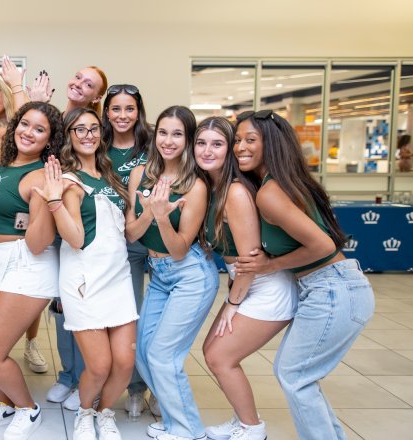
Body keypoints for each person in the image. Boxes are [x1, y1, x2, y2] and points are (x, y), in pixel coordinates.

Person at [233, 109, 375, 440]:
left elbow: (323, 246)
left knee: (294, 375)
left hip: (332, 288)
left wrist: (268, 265)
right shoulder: (281, 183)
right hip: (332, 287)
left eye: (251, 140)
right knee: (299, 377)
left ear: (273, 144)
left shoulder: (270, 192)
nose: (240, 146)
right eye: (238, 139)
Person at [0, 101, 64, 439]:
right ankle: (4, 402)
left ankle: (27, 409)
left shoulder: (38, 176)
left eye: (39, 129)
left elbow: (36, 242)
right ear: (14, 125)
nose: (28, 132)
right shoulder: (4, 165)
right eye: (25, 124)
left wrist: (45, 202)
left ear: (49, 140)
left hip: (27, 265)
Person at [35, 107, 137, 440]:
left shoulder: (109, 175)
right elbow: (76, 239)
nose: (89, 135)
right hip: (84, 281)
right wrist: (54, 202)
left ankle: (104, 412)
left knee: (124, 362)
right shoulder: (68, 181)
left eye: (94, 128)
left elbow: (125, 231)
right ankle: (84, 411)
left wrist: (155, 214)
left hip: (117, 277)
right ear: (69, 136)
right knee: (99, 365)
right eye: (80, 129)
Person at [194, 116, 297, 440]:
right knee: (213, 353)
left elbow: (251, 260)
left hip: (265, 287)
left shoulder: (236, 192)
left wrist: (231, 304)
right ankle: (243, 420)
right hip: (245, 283)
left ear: (230, 150)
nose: (207, 150)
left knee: (219, 357)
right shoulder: (213, 188)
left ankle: (253, 428)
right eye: (201, 142)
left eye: (217, 143)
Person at [126, 105, 218, 440]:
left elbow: (179, 249)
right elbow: (132, 234)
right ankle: (174, 417)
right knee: (143, 352)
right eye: (163, 132)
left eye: (178, 134)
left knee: (164, 355)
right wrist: (151, 211)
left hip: (190, 273)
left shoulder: (196, 186)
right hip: (159, 274)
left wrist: (163, 217)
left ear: (189, 139)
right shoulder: (141, 174)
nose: (168, 140)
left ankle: (187, 428)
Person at [45, 66, 109, 412]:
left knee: (86, 309)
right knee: (62, 305)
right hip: (56, 225)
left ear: (97, 98)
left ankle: (86, 378)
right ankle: (69, 374)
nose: (79, 84)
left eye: (89, 84)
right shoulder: (53, 116)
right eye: (78, 77)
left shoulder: (95, 132)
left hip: (89, 237)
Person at [100, 83, 158, 418]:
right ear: (107, 112)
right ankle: (123, 386)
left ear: (139, 112)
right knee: (120, 319)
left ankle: (147, 386)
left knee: (146, 322)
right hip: (113, 244)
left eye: (129, 109)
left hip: (152, 240)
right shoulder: (98, 145)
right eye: (116, 109)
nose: (123, 115)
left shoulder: (152, 146)